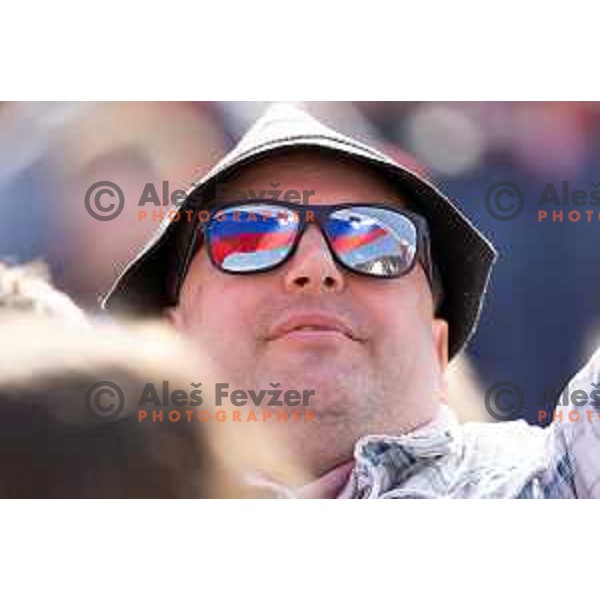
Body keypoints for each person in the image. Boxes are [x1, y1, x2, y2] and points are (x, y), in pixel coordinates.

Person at [103, 103, 599, 498]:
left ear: (437, 347)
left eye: (378, 242)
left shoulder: (556, 487)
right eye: (250, 235)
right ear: (171, 342)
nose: (317, 267)